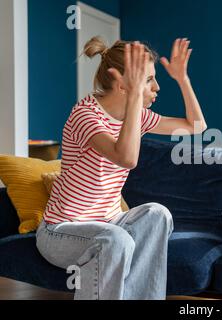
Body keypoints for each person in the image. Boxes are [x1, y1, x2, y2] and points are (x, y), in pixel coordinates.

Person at [36, 37, 207, 299]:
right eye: (148, 79)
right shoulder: (85, 115)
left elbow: (196, 127)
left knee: (158, 214)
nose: (157, 87)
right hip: (61, 231)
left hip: (109, 222)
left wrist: (182, 79)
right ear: (123, 85)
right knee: (116, 240)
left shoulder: (137, 116)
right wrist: (137, 97)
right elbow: (126, 158)